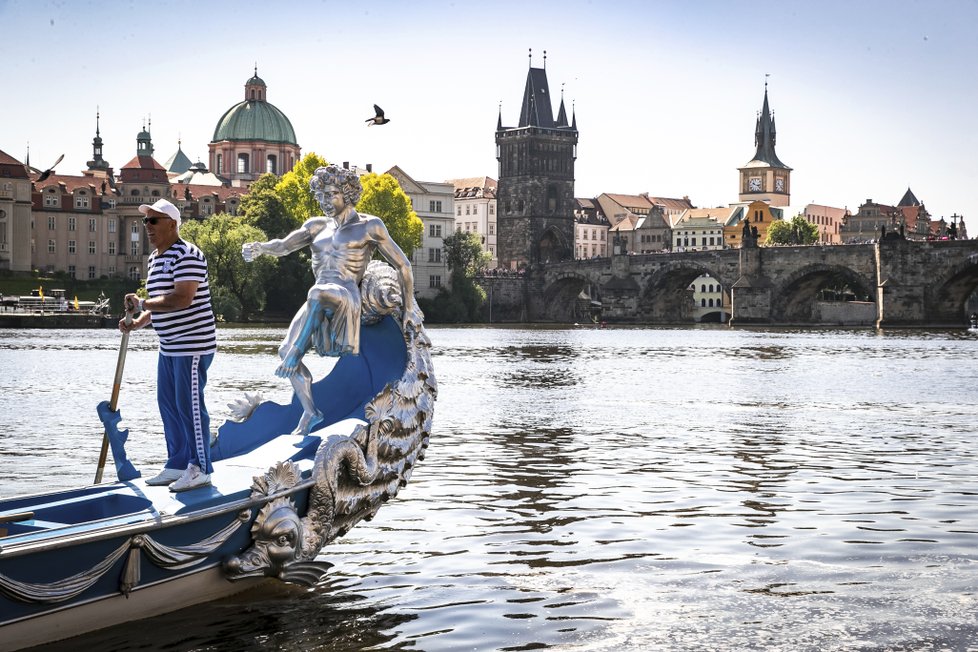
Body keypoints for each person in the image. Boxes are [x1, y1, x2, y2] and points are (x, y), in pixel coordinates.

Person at [242, 164, 423, 436]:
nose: (326, 201)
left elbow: (403, 265)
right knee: (284, 348)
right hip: (318, 298)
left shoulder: (369, 226)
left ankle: (295, 355)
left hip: (345, 296)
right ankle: (310, 411)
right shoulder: (316, 227)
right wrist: (260, 248)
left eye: (333, 194)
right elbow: (284, 246)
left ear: (348, 193)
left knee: (315, 297)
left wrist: (409, 308)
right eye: (322, 195)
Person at [120, 198, 217, 492]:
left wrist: (141, 303)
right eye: (144, 221)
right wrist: (138, 321)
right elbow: (162, 302)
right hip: (169, 345)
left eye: (153, 221)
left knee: (189, 406)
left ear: (172, 224)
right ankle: (177, 463)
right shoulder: (154, 259)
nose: (147, 227)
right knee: (169, 406)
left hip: (193, 344)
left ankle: (201, 467)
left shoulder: (187, 254)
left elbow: (182, 298)